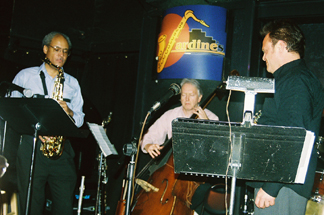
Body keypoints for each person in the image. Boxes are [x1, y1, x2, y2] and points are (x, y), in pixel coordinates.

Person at [249, 19, 324, 214]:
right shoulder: (294, 78)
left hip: (282, 187)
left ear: (281, 46)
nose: (263, 57)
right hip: (282, 184)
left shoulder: (296, 80)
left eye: (265, 51)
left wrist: (271, 186)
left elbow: (293, 136)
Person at [11, 32, 85, 215]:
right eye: (57, 49)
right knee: (31, 205)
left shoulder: (73, 83)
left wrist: (69, 112)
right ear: (45, 49)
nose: (61, 55)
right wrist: (35, 128)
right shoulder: (25, 76)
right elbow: (14, 111)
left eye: (65, 51)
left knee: (64, 207)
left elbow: (80, 119)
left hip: (62, 150)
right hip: (32, 147)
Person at [141, 78, 219, 158]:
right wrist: (148, 146)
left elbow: (218, 146)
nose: (187, 99)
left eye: (191, 95)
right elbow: (148, 136)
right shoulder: (170, 115)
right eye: (184, 95)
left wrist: (208, 124)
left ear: (199, 98)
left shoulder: (211, 117)